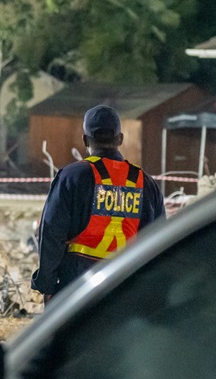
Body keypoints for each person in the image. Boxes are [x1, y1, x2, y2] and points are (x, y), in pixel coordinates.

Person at [31, 104, 165, 302]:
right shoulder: (146, 183)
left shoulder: (72, 177)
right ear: (120, 139)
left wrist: (47, 285)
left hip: (77, 284)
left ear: (85, 139)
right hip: (127, 285)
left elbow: (52, 233)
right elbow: (159, 240)